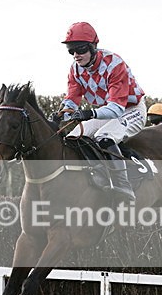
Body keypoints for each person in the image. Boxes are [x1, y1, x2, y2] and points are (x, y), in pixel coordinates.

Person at [59, 21, 146, 201]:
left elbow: (117, 107)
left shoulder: (114, 64)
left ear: (93, 47)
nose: (76, 55)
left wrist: (89, 113)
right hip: (107, 110)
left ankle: (123, 185)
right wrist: (61, 114)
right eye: (71, 50)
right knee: (72, 138)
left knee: (104, 137)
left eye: (80, 49)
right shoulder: (75, 70)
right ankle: (95, 176)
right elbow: (72, 99)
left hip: (131, 109)